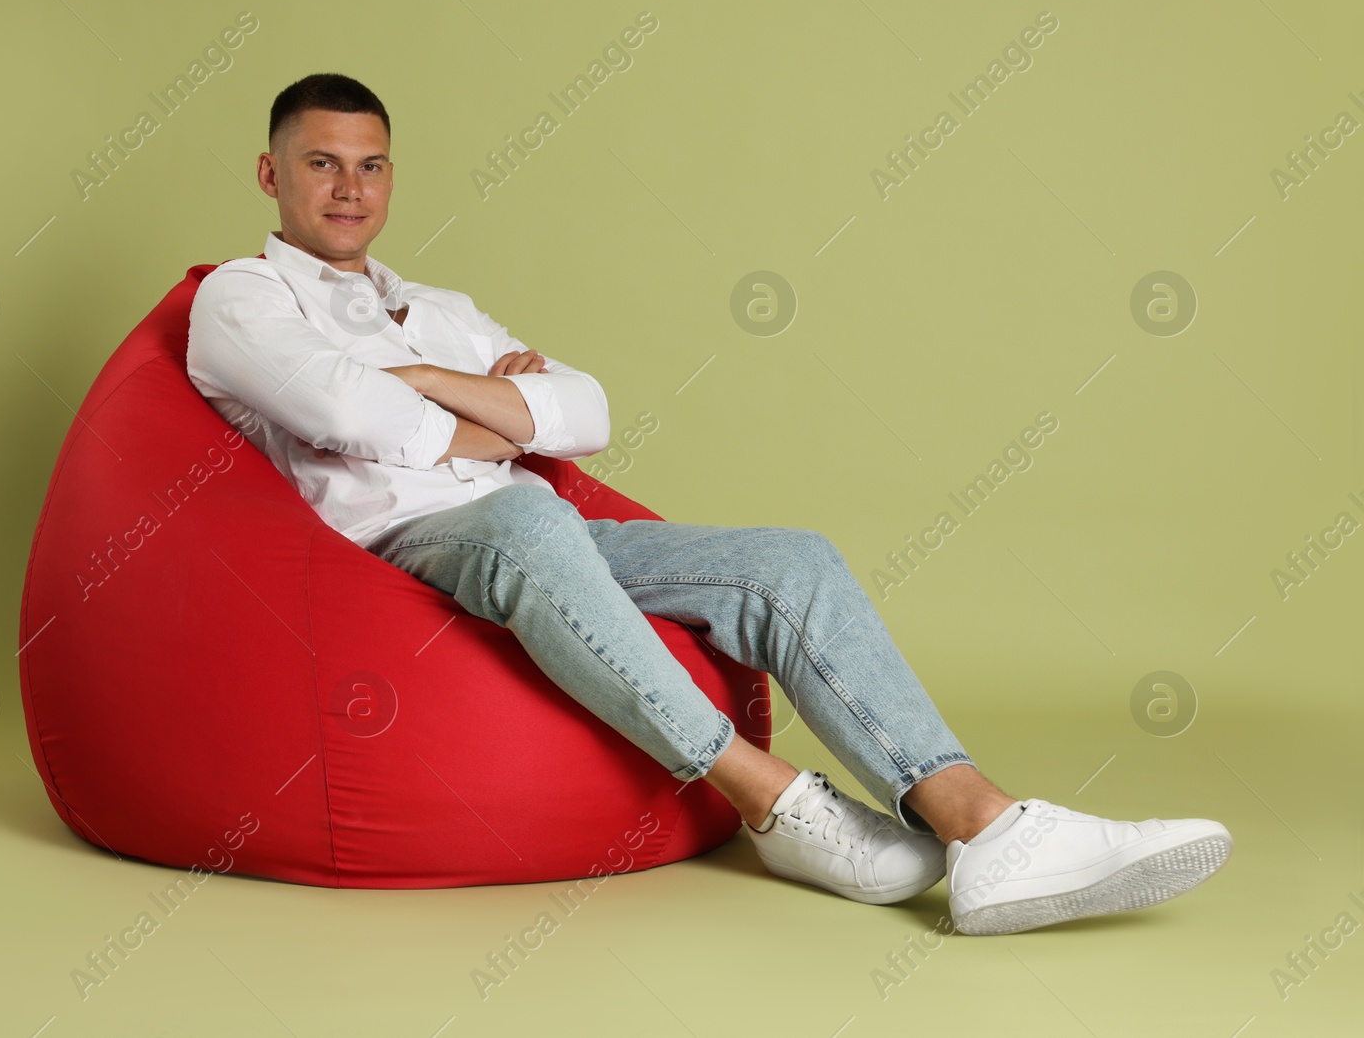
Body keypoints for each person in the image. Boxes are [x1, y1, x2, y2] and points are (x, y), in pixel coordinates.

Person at [186, 72, 1232, 936]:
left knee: (789, 559)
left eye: (369, 166)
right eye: (321, 163)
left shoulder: (439, 309)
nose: (347, 188)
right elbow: (345, 416)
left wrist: (426, 379)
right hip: (398, 545)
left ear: (391, 178)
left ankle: (988, 830)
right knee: (526, 517)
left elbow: (583, 410)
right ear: (272, 172)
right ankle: (772, 798)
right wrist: (498, 411)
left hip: (537, 529)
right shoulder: (240, 296)